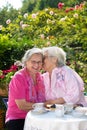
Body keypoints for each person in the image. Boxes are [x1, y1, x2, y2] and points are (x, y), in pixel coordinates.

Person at [5, 48, 45, 130]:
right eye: (33, 62)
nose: (36, 65)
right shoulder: (19, 77)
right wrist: (45, 105)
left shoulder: (40, 77)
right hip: (18, 118)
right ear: (26, 62)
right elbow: (22, 105)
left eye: (39, 62)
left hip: (37, 117)